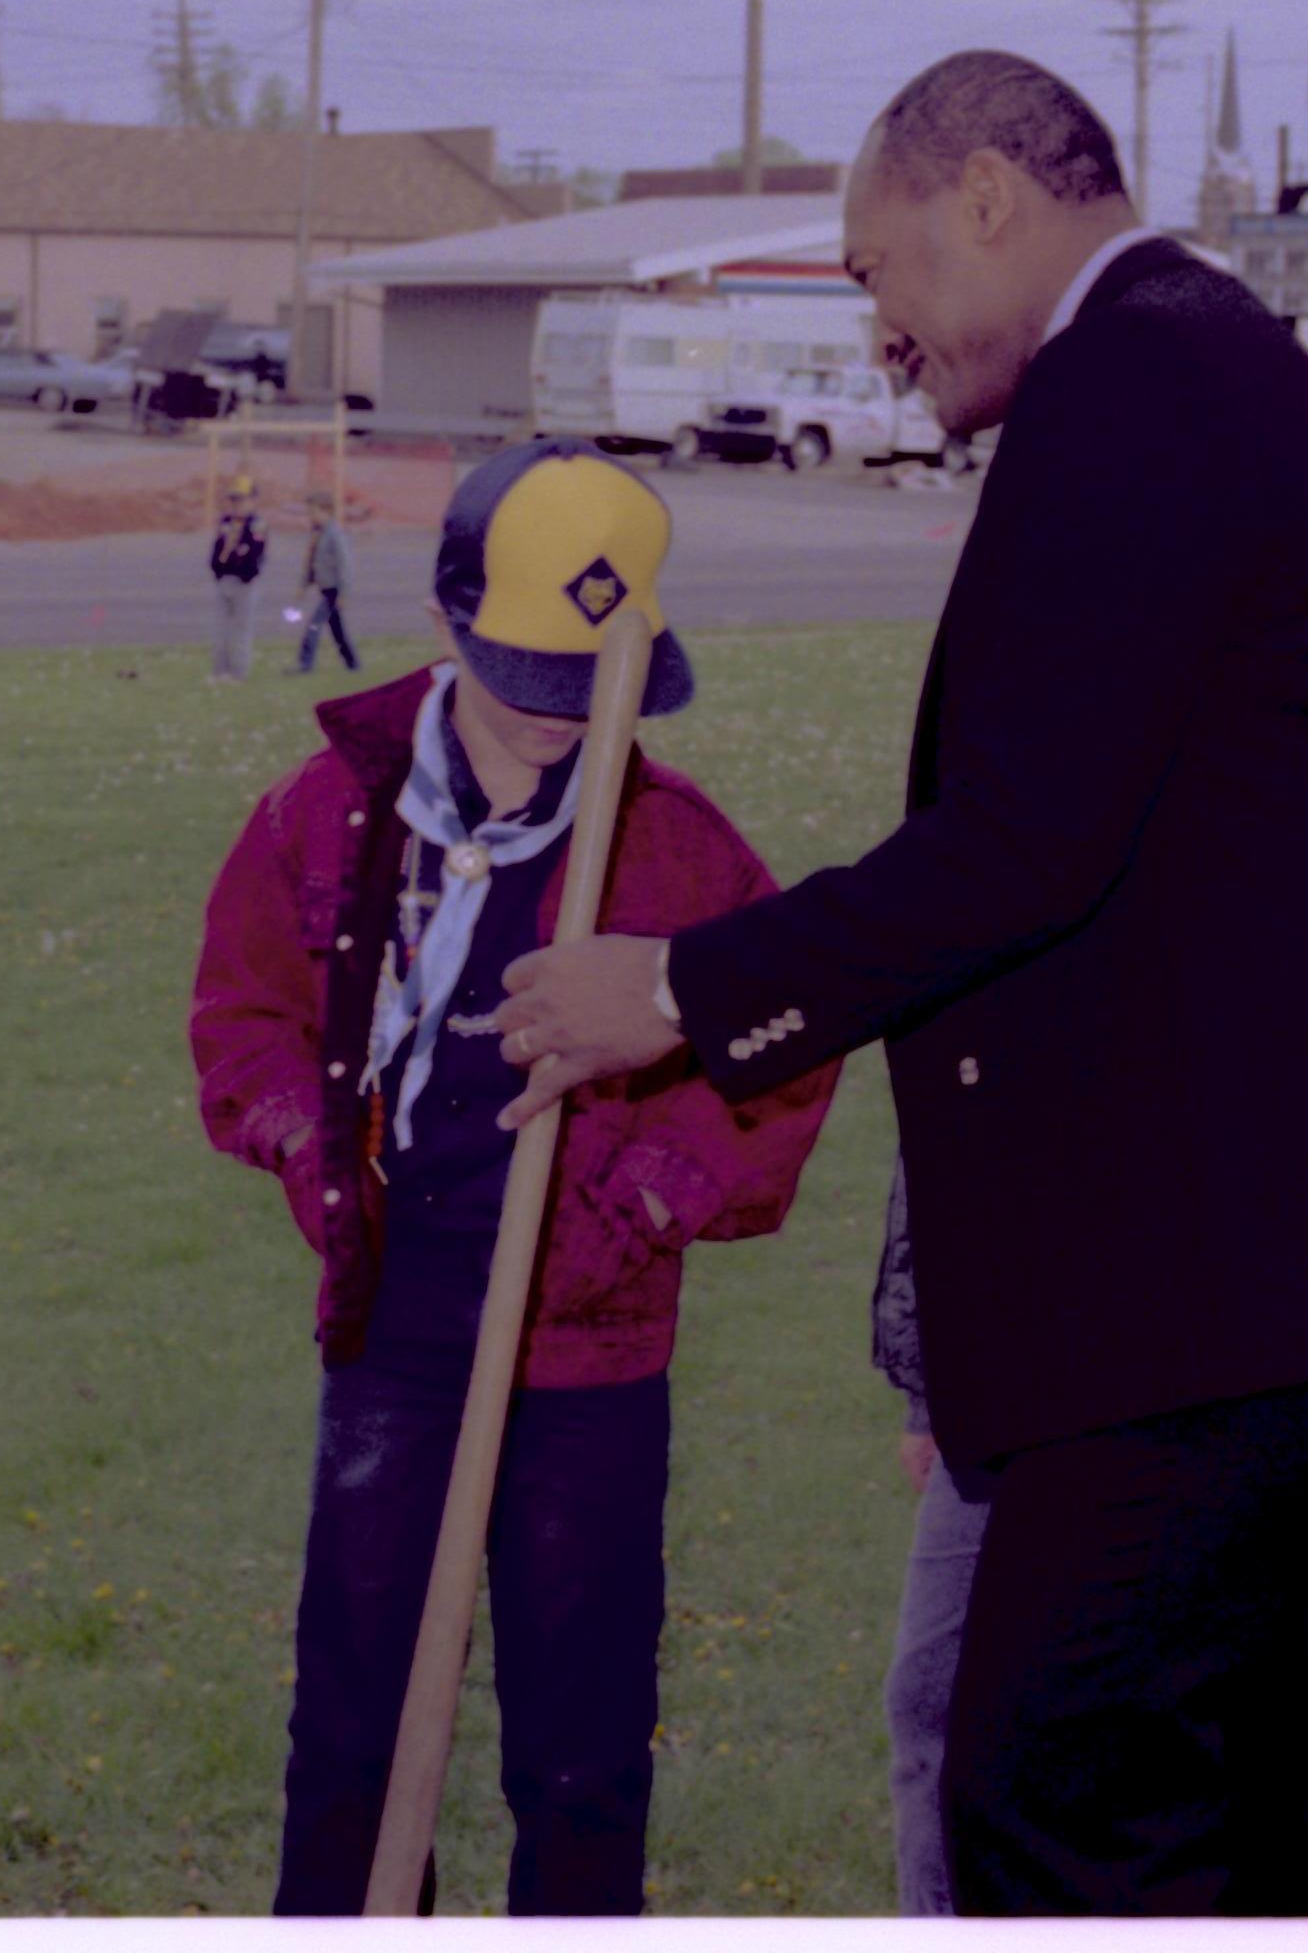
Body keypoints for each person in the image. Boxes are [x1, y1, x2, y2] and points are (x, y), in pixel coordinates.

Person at [488, 51, 1308, 1915]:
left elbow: (1024, 842)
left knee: (1066, 1800)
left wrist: (681, 989)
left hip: (1228, 1281)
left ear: (983, 194)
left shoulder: (1140, 386)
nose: (883, 332)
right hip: (1277, 1261)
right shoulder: (1212, 371)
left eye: (873, 272)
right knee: (1222, 1802)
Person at [192, 439, 837, 1915]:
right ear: (447, 622)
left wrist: (643, 1205)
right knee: (352, 1725)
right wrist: (307, 1150)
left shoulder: (676, 851)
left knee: (583, 1748)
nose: (559, 725)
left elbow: (788, 1054)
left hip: (591, 1347)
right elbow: (243, 1020)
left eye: (587, 691)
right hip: (397, 1330)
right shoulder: (328, 815)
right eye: (528, 682)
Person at [869, 1157, 985, 1917]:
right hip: (988, 1415)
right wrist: (925, 1397)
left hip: (1134, 1402)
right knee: (926, 1705)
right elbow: (932, 1188)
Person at [296, 487, 361, 674]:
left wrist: (344, 593)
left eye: (314, 512)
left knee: (314, 625)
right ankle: (353, 664)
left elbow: (344, 565)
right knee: (337, 630)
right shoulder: (317, 533)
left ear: (326, 511)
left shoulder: (335, 534)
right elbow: (312, 561)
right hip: (324, 588)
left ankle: (305, 664)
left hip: (334, 590)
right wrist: (304, 584)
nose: (311, 516)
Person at [211, 473, 268, 681]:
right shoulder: (226, 521)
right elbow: (217, 547)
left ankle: (239, 673)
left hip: (245, 584)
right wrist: (217, 569)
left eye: (241, 499)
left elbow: (256, 554)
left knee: (242, 631)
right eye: (233, 499)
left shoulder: (256, 525)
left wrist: (246, 573)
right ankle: (220, 671)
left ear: (252, 501)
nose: (236, 504)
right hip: (225, 580)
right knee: (221, 630)